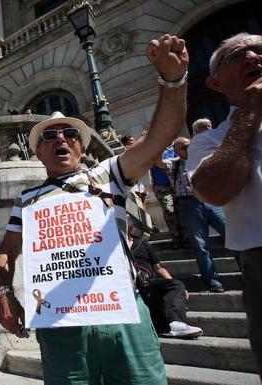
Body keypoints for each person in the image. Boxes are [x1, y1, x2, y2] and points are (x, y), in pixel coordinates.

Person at [0, 34, 189, 385]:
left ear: (82, 147)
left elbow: (159, 137)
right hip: (59, 323)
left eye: (69, 132)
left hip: (122, 314)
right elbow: (5, 254)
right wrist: (5, 297)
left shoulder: (111, 173)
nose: (60, 139)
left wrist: (172, 81)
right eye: (49, 137)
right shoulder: (27, 200)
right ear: (38, 153)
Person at [186, 32, 262, 378]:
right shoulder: (209, 140)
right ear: (214, 83)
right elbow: (214, 189)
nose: (252, 57)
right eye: (237, 55)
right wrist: (250, 110)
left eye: (258, 50)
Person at [157, 137, 234, 292]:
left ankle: (248, 273)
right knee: (201, 246)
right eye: (184, 147)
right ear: (177, 150)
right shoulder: (173, 163)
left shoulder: (202, 159)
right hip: (189, 205)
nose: (188, 149)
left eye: (190, 145)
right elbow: (157, 161)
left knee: (232, 236)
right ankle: (213, 281)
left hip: (211, 201)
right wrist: (157, 141)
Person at [128, 228, 203, 339]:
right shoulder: (110, 247)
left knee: (176, 286)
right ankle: (162, 326)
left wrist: (176, 286)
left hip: (146, 283)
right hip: (127, 285)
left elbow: (158, 268)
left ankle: (174, 323)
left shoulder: (143, 244)